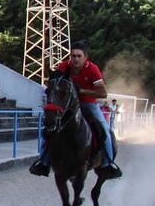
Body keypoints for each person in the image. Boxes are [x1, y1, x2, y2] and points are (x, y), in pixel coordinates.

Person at [29, 41, 123, 180]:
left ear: (85, 57)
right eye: (73, 56)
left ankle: (106, 164)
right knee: (49, 129)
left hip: (88, 104)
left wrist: (83, 90)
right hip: (68, 106)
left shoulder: (92, 69)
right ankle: (44, 162)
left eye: (79, 56)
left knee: (105, 129)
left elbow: (103, 94)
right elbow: (55, 84)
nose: (75, 59)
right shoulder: (63, 66)